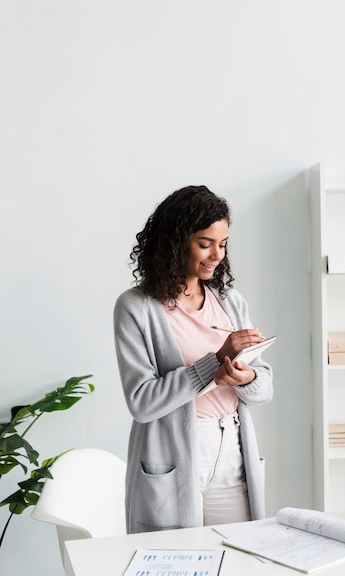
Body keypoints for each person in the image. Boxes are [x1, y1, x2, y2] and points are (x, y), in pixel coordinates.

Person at [113, 185, 273, 534]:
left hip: (232, 447)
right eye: (205, 243)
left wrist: (246, 378)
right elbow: (141, 402)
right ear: (175, 242)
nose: (217, 254)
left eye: (223, 244)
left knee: (239, 554)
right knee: (175, 562)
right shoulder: (137, 308)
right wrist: (213, 366)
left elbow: (263, 388)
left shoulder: (231, 301)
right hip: (174, 453)